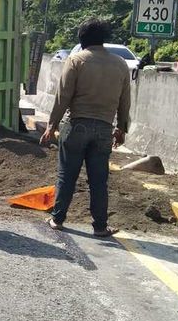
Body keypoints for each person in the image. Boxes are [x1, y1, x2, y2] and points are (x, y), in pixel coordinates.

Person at [40, 18, 131, 237]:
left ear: (82, 40)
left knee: (66, 175)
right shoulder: (120, 64)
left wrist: (51, 126)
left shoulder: (76, 60)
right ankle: (100, 226)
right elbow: (125, 100)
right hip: (104, 130)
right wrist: (122, 128)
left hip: (76, 126)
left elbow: (63, 97)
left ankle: (58, 219)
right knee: (99, 180)